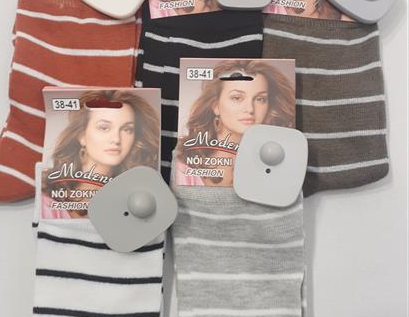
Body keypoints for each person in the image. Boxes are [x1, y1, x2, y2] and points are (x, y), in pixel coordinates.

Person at [175, 59, 295, 186]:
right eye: (237, 98)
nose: (250, 109)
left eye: (260, 99)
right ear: (215, 106)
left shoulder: (276, 162)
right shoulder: (183, 165)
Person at [42, 90, 159, 218]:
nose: (116, 139)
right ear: (81, 135)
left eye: (127, 129)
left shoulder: (138, 198)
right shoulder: (47, 201)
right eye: (104, 128)